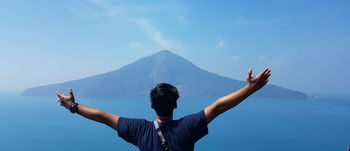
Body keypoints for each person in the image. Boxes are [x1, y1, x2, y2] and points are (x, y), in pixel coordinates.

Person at [56, 68, 271, 151]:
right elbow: (218, 107)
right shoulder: (187, 127)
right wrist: (250, 89)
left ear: (151, 105)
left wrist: (72, 106)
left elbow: (103, 117)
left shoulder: (139, 130)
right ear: (176, 104)